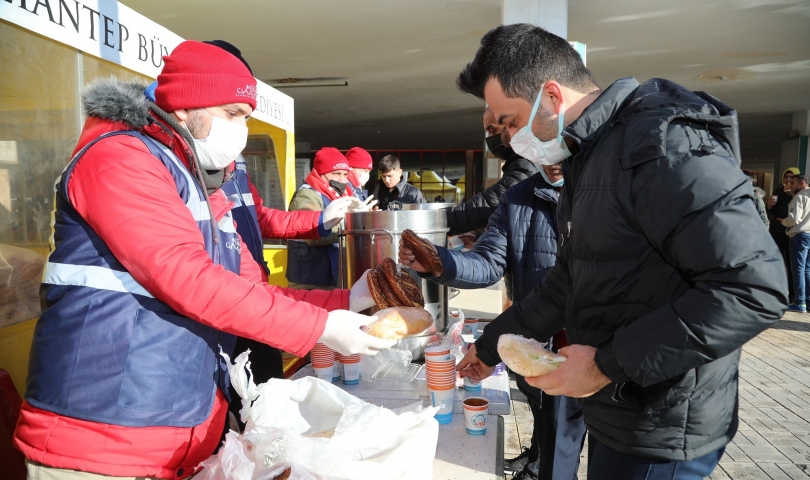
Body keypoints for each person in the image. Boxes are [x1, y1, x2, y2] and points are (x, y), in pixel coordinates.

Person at [14, 40, 390, 479]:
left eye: (246, 117)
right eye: (233, 113)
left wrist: (351, 300)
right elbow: (186, 277)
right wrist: (320, 328)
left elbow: (253, 288)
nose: (241, 130)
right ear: (184, 106)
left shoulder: (197, 183)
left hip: (175, 432)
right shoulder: (119, 157)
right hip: (104, 441)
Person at [453, 24, 787, 479]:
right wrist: (491, 346)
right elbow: (569, 280)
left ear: (551, 96)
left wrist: (605, 365)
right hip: (620, 407)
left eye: (510, 122)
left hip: (661, 423)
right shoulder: (590, 157)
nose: (510, 140)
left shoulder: (664, 147)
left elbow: (752, 288)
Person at [400, 164, 585, 480]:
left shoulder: (600, 188)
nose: (552, 155)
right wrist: (439, 262)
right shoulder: (518, 197)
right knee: (546, 422)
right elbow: (487, 263)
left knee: (572, 442)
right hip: (533, 338)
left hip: (589, 347)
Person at [445, 108, 537, 235]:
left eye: (492, 130)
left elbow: (489, 205)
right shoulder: (520, 163)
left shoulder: (527, 163)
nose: (489, 138)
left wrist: (436, 221)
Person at [286, 147, 353, 290]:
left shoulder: (339, 195)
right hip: (310, 279)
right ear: (321, 173)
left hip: (330, 277)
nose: (342, 179)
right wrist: (351, 228)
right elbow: (314, 234)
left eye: (345, 174)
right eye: (336, 174)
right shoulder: (307, 195)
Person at [769, 167, 801, 298]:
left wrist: (792, 194)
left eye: (791, 177)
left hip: (791, 232)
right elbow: (771, 212)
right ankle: (773, 289)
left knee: (791, 264)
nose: (788, 180)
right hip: (776, 231)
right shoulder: (778, 191)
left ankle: (792, 294)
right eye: (786, 177)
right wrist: (770, 205)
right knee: (774, 260)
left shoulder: (800, 194)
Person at [783, 174, 810, 312]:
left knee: (798, 269)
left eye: (793, 182)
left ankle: (800, 302)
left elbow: (794, 219)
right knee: (807, 269)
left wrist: (784, 222)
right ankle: (807, 300)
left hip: (800, 235)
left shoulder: (800, 197)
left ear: (802, 183)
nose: (790, 185)